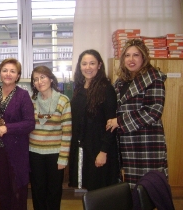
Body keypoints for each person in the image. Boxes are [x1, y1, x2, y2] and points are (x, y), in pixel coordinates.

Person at [106, 39, 168, 189]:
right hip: (126, 143)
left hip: (146, 143)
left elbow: (153, 111)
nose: (131, 59)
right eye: (127, 55)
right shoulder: (121, 81)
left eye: (136, 55)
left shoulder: (154, 79)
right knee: (130, 186)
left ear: (143, 57)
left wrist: (119, 122)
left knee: (148, 186)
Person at [0, 58, 35, 210]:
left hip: (17, 152)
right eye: (5, 70)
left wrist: (8, 128)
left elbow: (29, 123)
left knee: (18, 191)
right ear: (0, 73)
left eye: (12, 71)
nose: (8, 74)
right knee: (3, 191)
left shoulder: (23, 95)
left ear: (18, 76)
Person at [68, 49, 120, 191]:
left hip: (99, 149)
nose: (88, 67)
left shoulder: (106, 89)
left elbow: (111, 124)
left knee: (100, 192)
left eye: (92, 63)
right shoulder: (79, 88)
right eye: (84, 64)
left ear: (99, 65)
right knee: (89, 189)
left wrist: (103, 152)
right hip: (84, 147)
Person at [29, 66, 72, 210]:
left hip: (54, 154)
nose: (39, 81)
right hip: (34, 153)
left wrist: (63, 158)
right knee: (37, 190)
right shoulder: (32, 101)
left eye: (43, 77)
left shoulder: (63, 100)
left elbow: (67, 132)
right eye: (36, 79)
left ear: (51, 79)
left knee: (54, 192)